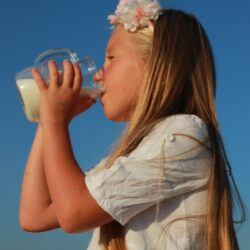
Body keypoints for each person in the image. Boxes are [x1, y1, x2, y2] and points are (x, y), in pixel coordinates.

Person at [19, 0, 245, 249]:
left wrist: (55, 122)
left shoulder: (184, 135)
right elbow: (34, 215)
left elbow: (74, 212)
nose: (98, 74)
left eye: (110, 58)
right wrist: (47, 118)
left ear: (156, 64)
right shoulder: (132, 156)